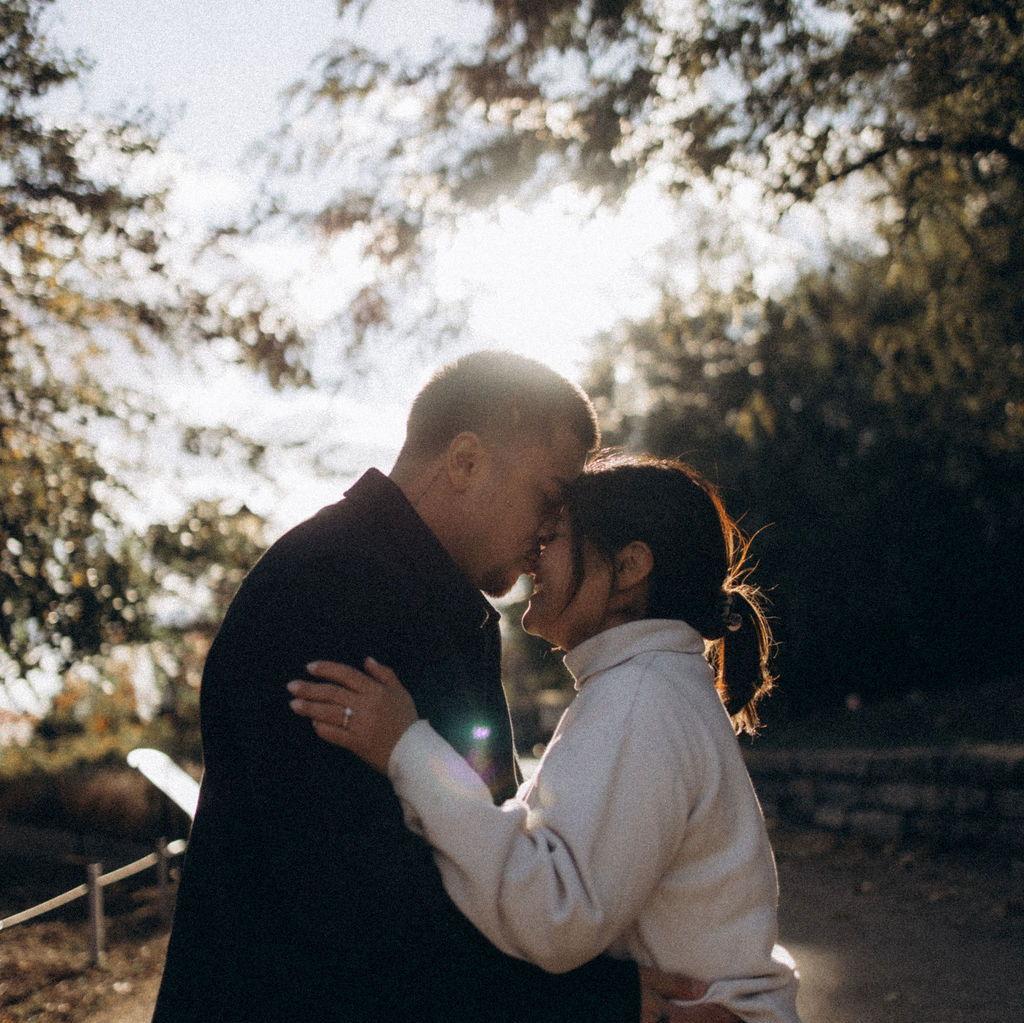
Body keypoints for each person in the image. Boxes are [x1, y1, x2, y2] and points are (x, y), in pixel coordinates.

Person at [152, 353, 734, 1023]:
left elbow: (479, 850)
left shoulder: (434, 600)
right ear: (464, 462)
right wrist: (594, 1002)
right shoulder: (326, 590)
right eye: (550, 497)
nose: (552, 530)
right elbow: (349, 898)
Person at [288, 455, 802, 1023]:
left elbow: (556, 916)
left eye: (553, 535)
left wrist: (405, 748)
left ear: (629, 566)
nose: (534, 552)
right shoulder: (646, 687)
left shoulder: (640, 698)